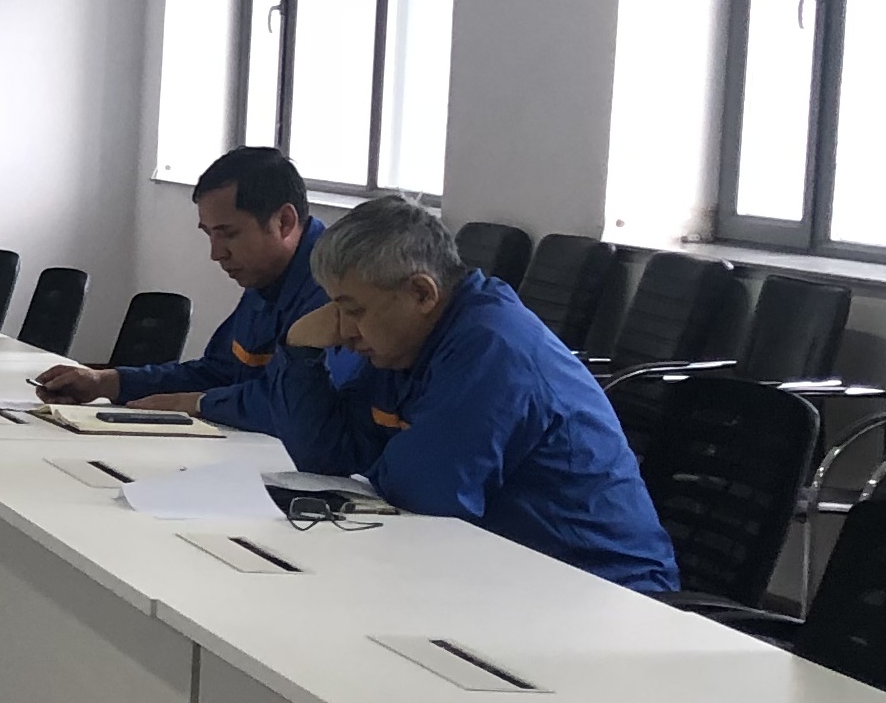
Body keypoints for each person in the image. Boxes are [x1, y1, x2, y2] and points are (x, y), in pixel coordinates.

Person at [268, 196, 679, 593]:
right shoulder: (404, 347)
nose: (342, 329)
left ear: (422, 293)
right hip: (510, 578)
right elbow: (326, 458)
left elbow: (428, 494)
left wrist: (388, 462)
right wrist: (300, 352)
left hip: (604, 591)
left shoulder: (494, 347)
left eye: (354, 309)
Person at [35, 146, 327, 430]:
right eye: (209, 234)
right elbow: (218, 373)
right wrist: (108, 382)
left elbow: (300, 407)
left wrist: (198, 403)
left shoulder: (334, 289)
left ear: (284, 222)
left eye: (230, 234)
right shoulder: (265, 277)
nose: (216, 253)